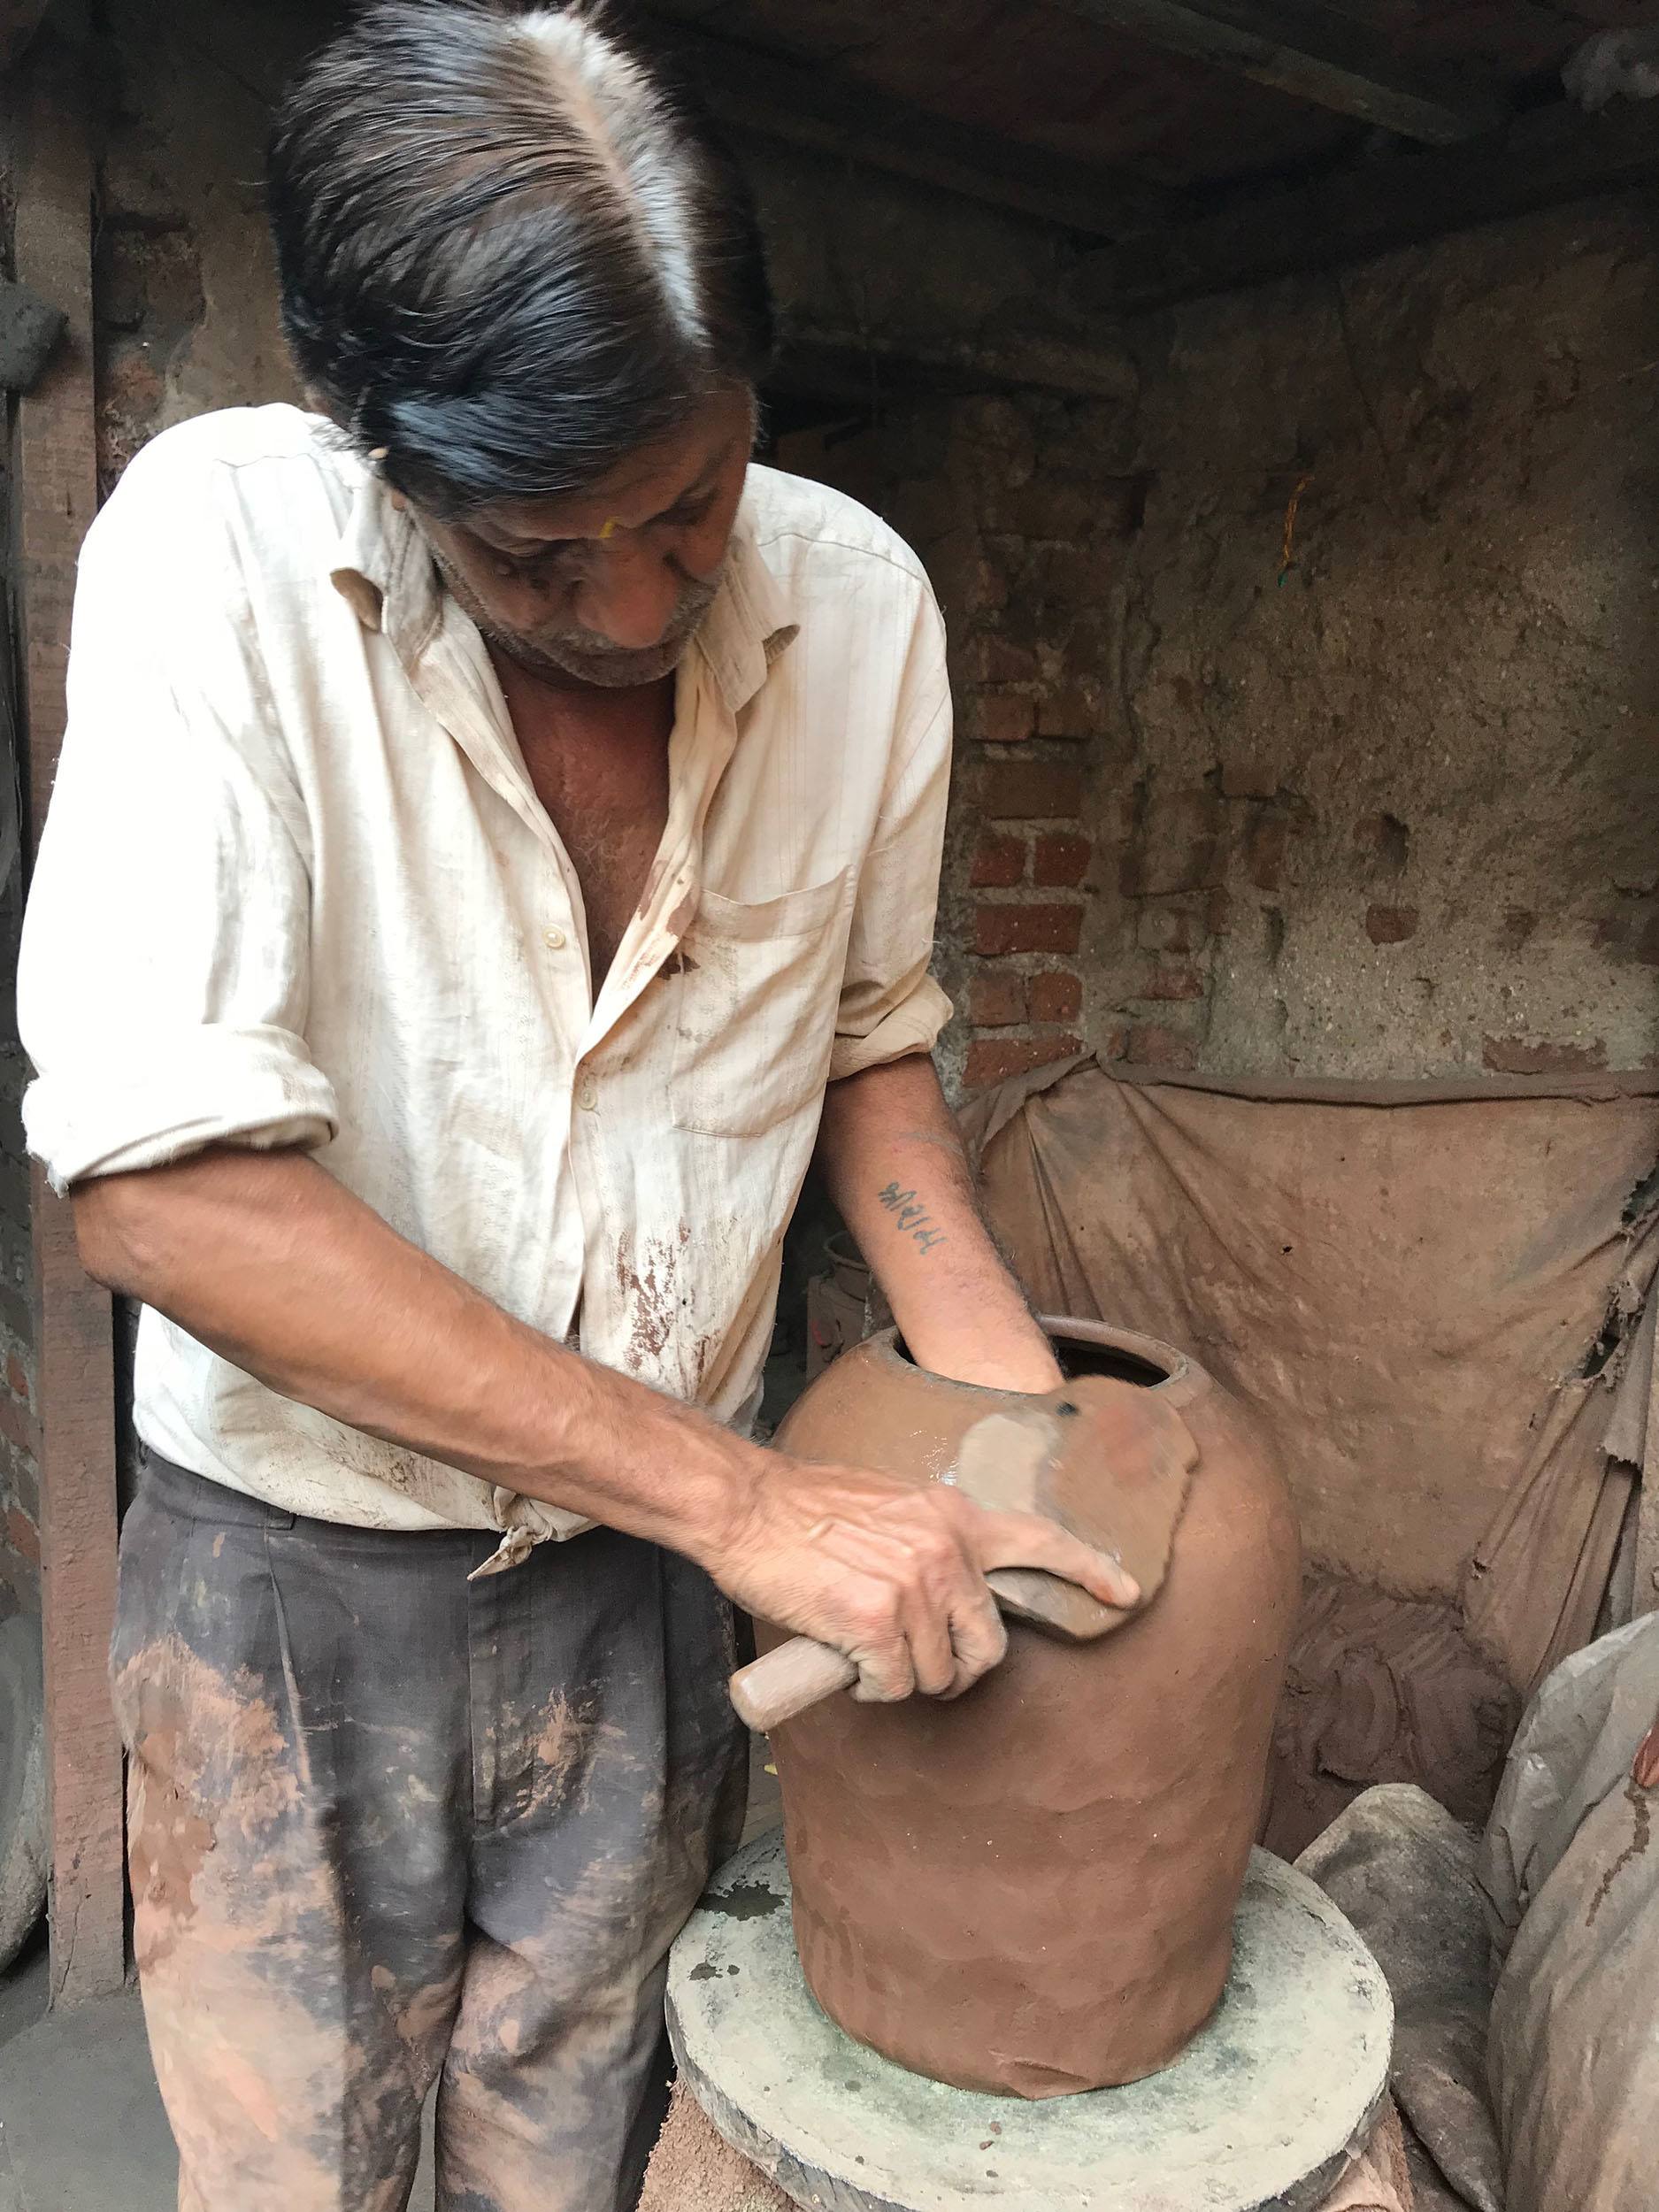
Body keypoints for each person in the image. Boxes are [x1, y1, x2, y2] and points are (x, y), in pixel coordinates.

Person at [17, 5, 1133, 2208]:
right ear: (382, 447)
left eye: (691, 509)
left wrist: (1020, 1423)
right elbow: (168, 1197)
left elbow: (864, 1060)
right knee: (301, 2168)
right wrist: (742, 1501)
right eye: (538, 555)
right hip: (288, 1575)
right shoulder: (219, 563)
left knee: (574, 2130)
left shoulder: (862, 607)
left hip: (632, 1585)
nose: (633, 608)